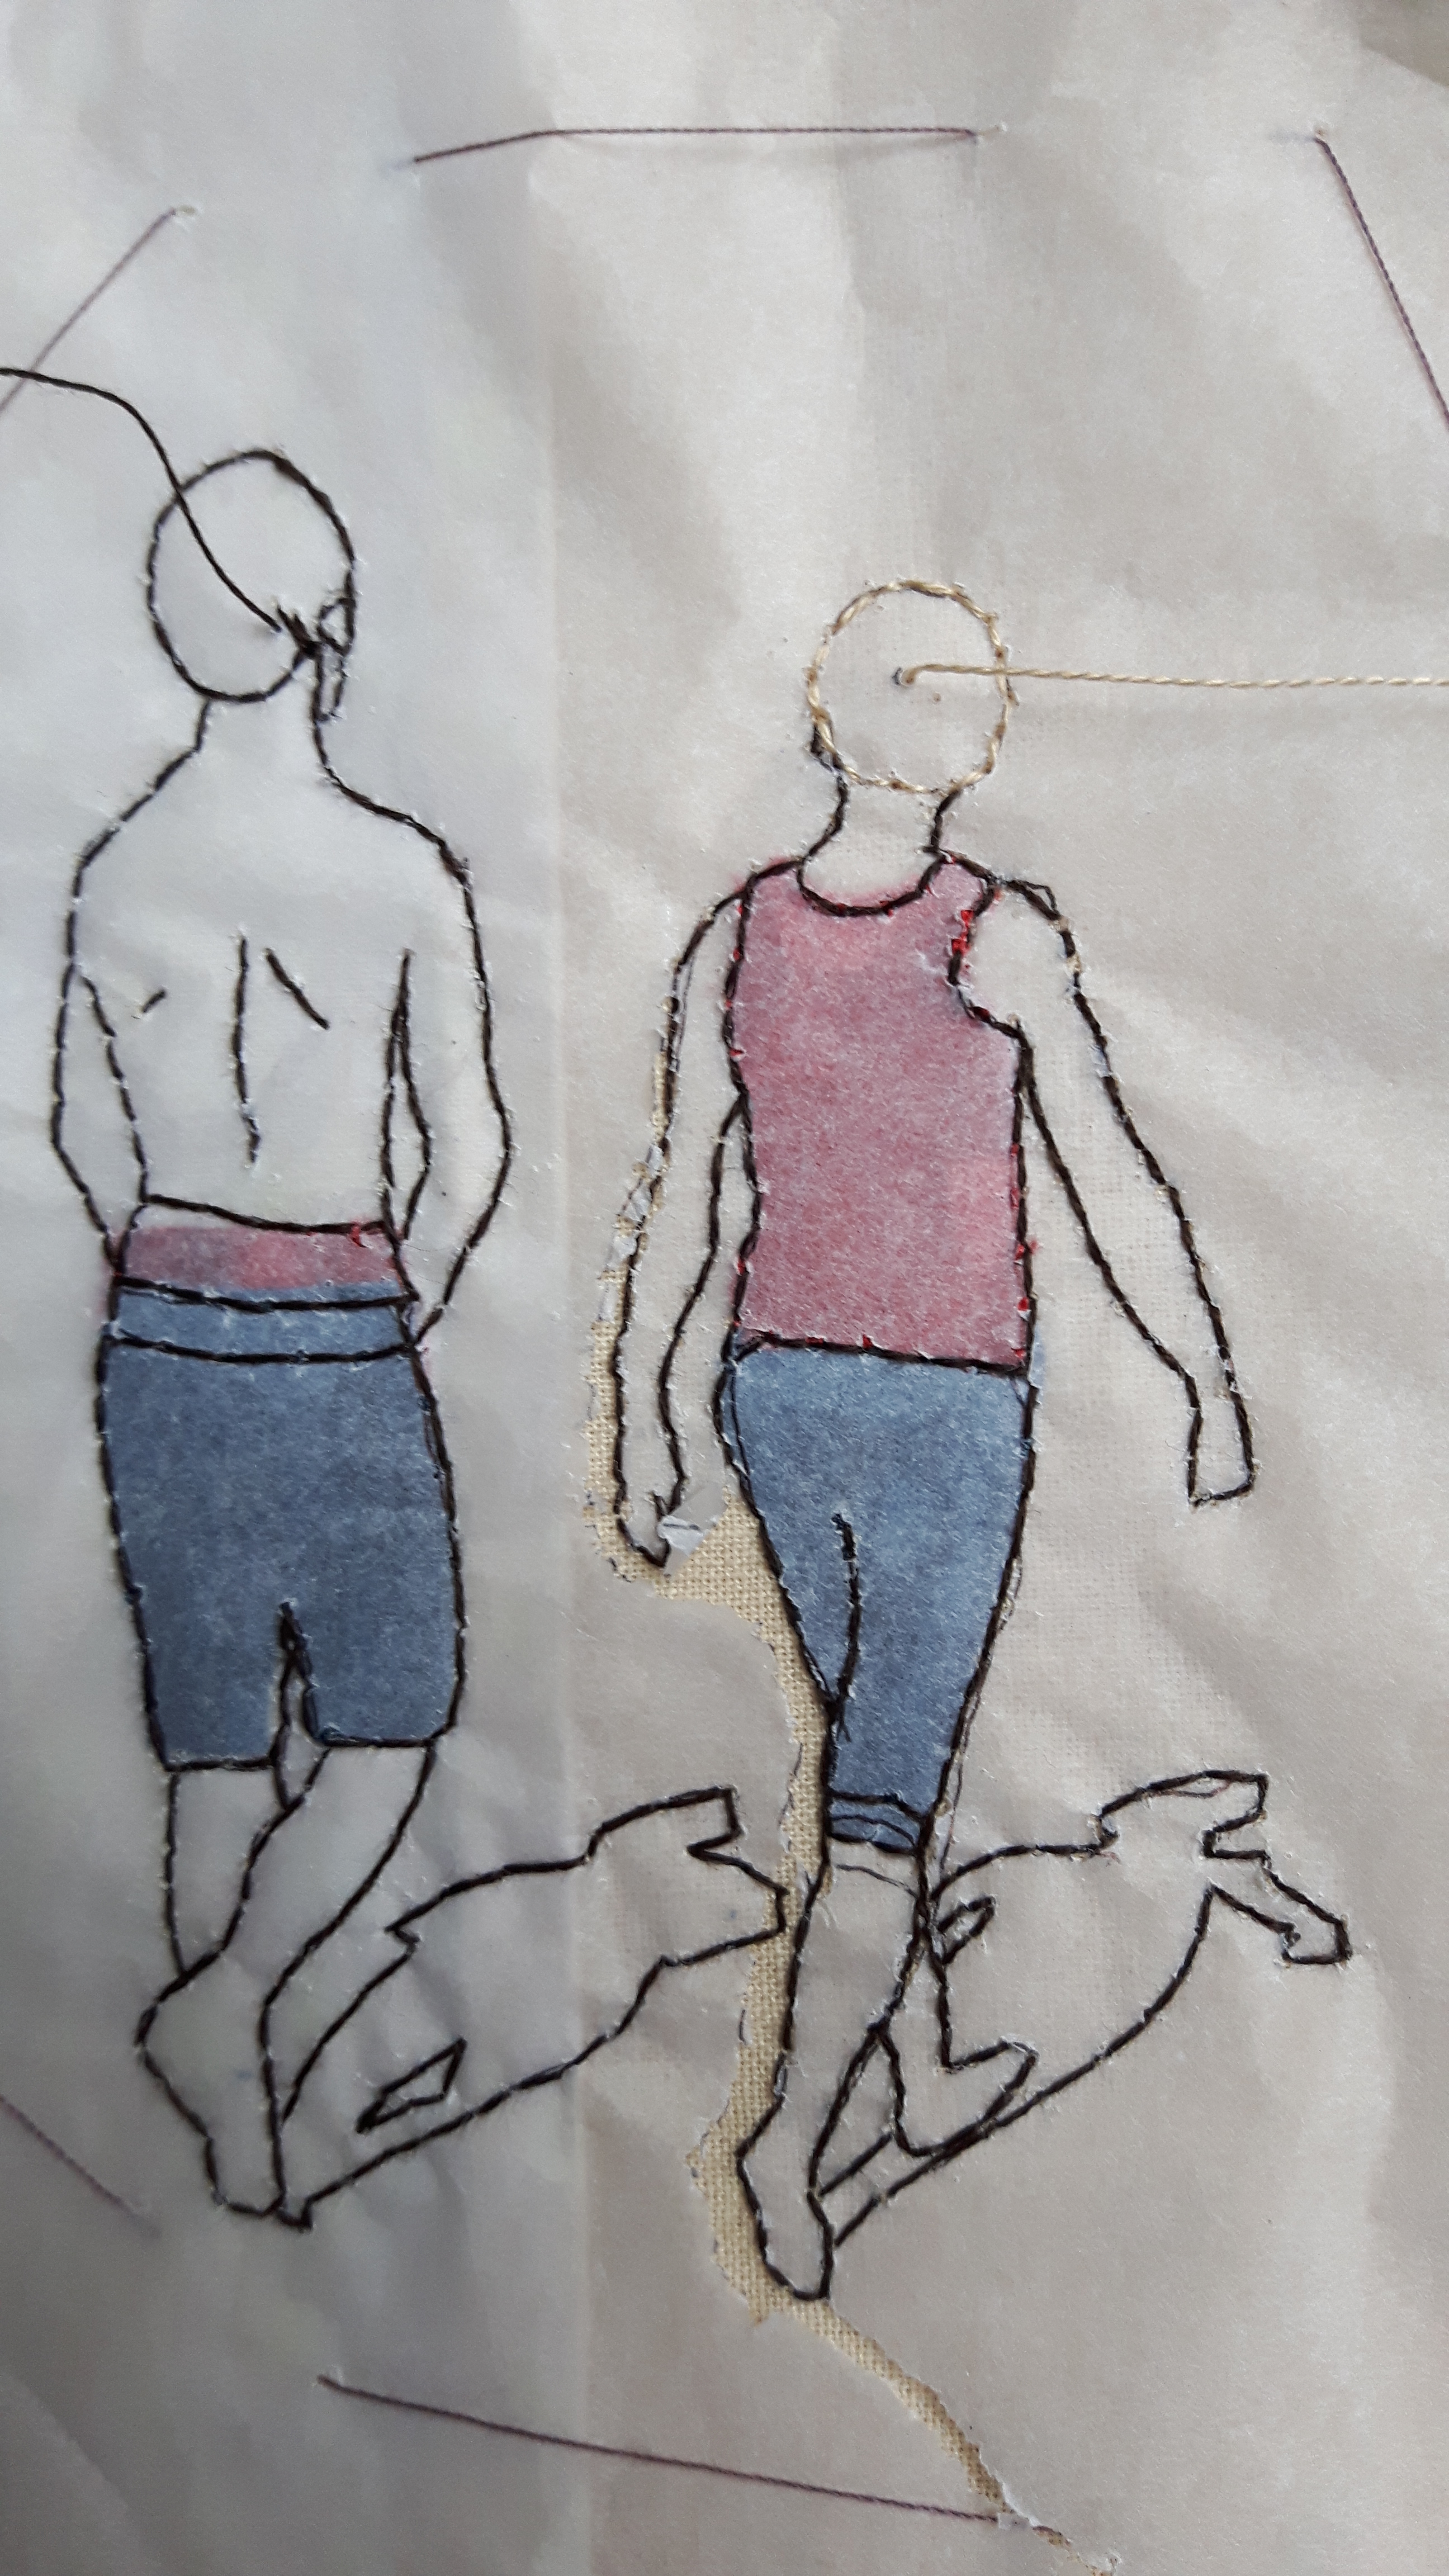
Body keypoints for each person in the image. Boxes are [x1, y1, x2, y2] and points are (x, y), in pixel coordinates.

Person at [614, 579, 1253, 2297]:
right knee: (887, 1800)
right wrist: (1203, 1375)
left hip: (774, 1389)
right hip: (943, 1408)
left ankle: (921, 2059)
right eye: (960, 690)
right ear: (883, 719)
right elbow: (1106, 1169)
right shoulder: (995, 931)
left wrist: (649, 1405)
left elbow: (686, 1197)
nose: (991, 714)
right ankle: (786, 2144)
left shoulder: (738, 932)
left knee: (870, 1757)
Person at [53, 449, 510, 2213]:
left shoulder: (120, 871)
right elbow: (469, 1150)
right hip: (342, 1325)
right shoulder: (397, 870)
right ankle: (233, 2013)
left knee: (212, 1740)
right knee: (391, 1726)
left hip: (161, 1332)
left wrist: (168, 1271)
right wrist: (402, 1304)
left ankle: (227, 2099)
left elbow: (85, 1133)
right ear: (332, 629)